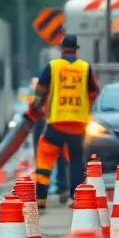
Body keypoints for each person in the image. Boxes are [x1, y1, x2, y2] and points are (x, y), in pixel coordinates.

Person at [29, 34, 99, 208]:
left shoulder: (53, 66)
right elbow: (93, 92)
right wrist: (86, 108)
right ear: (77, 49)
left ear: (61, 50)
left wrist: (36, 108)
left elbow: (40, 90)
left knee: (45, 155)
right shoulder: (85, 68)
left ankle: (41, 198)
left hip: (57, 122)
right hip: (78, 123)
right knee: (75, 159)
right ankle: (74, 198)